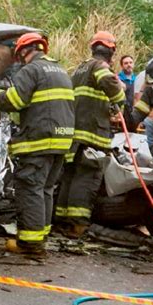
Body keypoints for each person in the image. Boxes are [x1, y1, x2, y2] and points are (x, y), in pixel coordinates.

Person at [0, 32, 74, 255]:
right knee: (45, 189)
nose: (18, 62)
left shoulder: (31, 70)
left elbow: (15, 101)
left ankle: (30, 243)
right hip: (60, 140)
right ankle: (41, 235)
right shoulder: (60, 70)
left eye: (18, 57)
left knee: (30, 189)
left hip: (39, 140)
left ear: (24, 51)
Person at [55, 31, 125, 237]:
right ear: (111, 51)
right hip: (92, 134)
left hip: (73, 134)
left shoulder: (79, 69)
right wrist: (120, 98)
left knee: (70, 176)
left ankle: (61, 220)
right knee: (86, 179)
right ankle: (78, 225)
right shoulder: (99, 66)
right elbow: (112, 87)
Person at [118, 55, 136, 120]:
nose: (129, 65)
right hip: (122, 114)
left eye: (131, 62)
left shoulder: (137, 80)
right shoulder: (118, 80)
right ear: (122, 66)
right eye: (126, 63)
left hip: (134, 113)